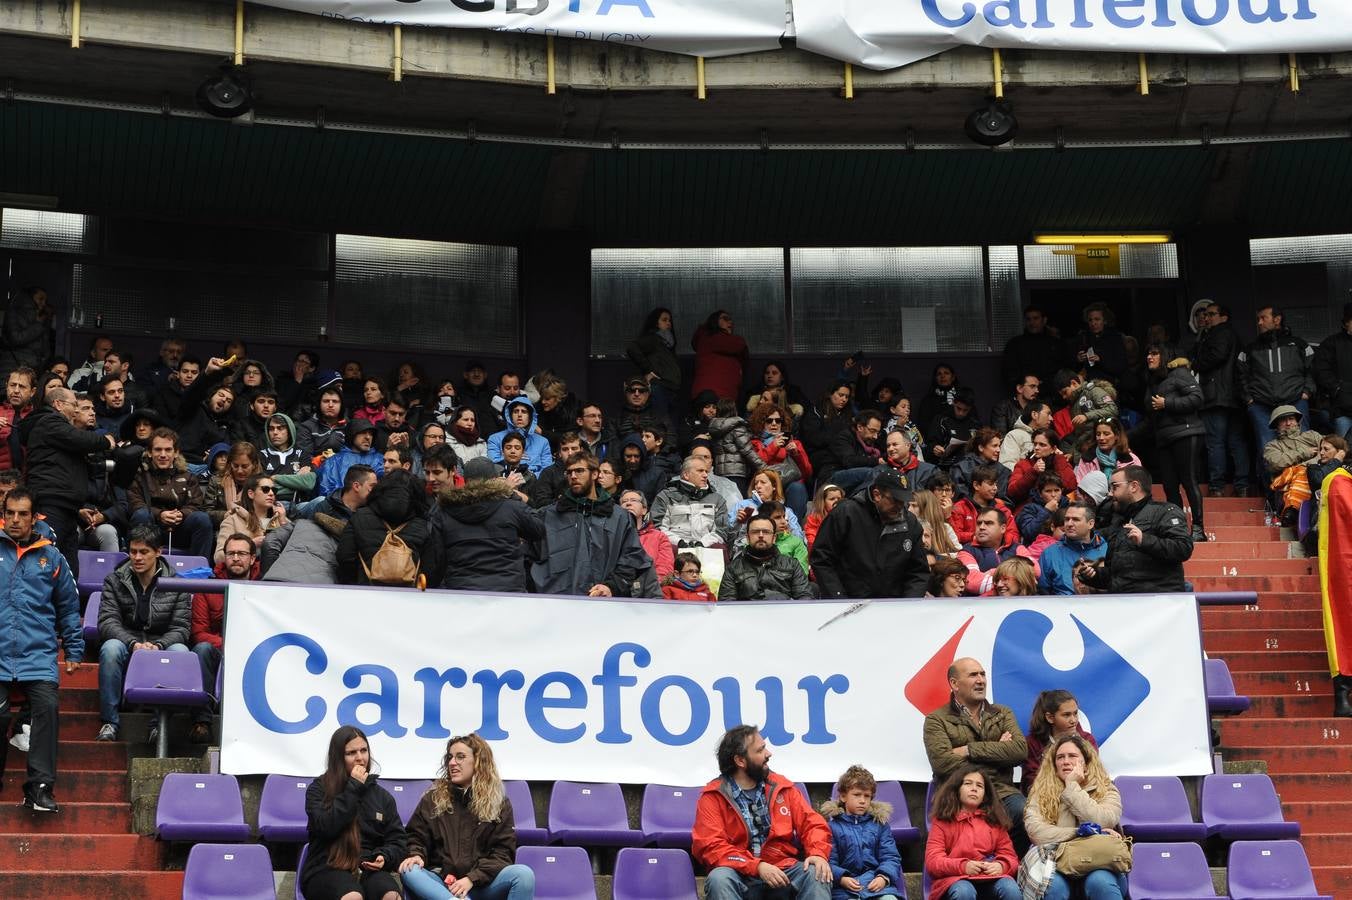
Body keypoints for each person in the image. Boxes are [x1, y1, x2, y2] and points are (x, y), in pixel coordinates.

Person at [0, 488, 81, 812]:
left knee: (47, 708)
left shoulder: (52, 557)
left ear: (35, 518)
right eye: (11, 513)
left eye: (23, 514)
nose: (16, 520)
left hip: (38, 655)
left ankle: (40, 788)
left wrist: (74, 649)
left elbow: (68, 606)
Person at [692, 725, 833, 900]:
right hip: (739, 873)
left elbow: (813, 824)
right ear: (740, 761)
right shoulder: (713, 796)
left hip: (783, 870)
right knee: (719, 878)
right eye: (760, 750)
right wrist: (757, 867)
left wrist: (817, 854)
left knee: (816, 871)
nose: (768, 753)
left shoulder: (782, 787)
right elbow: (711, 847)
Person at [398, 733, 534, 900]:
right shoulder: (432, 799)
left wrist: (472, 878)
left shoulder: (499, 803)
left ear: (478, 762)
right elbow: (416, 837)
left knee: (523, 874)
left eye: (460, 757)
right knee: (409, 870)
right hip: (441, 884)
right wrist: (416, 854)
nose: (452, 763)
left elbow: (502, 854)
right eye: (450, 757)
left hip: (481, 885)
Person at [95, 525, 192, 742]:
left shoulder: (177, 582)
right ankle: (110, 722)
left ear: (158, 552)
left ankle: (159, 724)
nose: (137, 557)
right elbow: (107, 621)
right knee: (110, 648)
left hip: (161, 642)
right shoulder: (115, 579)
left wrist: (158, 646)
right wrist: (132, 643)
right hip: (128, 640)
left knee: (180, 650)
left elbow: (181, 628)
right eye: (133, 551)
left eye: (144, 552)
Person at [923, 658, 1028, 850]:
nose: (981, 680)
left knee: (1025, 812)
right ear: (954, 683)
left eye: (982, 674)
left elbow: (1020, 751)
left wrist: (969, 750)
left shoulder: (1002, 713)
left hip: (1002, 793)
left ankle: (1010, 870)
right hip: (958, 794)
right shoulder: (936, 720)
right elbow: (942, 763)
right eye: (973, 675)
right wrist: (997, 754)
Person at [301, 725, 406, 900]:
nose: (360, 758)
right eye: (351, 753)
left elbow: (397, 840)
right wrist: (353, 788)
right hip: (326, 868)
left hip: (367, 868)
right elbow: (325, 827)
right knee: (353, 896)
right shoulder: (318, 790)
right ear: (338, 758)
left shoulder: (382, 797)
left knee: (390, 895)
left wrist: (384, 856)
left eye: (364, 751)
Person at [22, 386, 118, 572]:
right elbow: (79, 439)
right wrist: (106, 441)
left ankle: (69, 601)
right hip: (50, 503)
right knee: (46, 563)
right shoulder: (49, 421)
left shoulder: (56, 427)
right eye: (74, 404)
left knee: (68, 569)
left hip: (67, 507)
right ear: (58, 404)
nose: (76, 410)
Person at [531, 452, 650, 597]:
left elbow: (632, 558)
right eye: (569, 472)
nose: (573, 476)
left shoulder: (619, 517)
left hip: (603, 605)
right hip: (554, 603)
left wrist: (611, 587)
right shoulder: (547, 515)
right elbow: (527, 557)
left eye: (579, 470)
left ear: (595, 475)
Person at [1024, 735, 1127, 900]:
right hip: (1055, 862)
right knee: (1052, 887)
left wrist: (1071, 787)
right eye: (1060, 757)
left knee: (1100, 882)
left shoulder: (1106, 789)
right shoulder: (1040, 793)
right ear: (1053, 764)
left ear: (1085, 762)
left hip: (1099, 863)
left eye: (1072, 756)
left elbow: (1104, 820)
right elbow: (1037, 832)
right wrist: (1080, 832)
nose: (1065, 761)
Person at [811, 469, 930, 599]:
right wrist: (838, 598)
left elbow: (918, 571)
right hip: (850, 604)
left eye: (903, 500)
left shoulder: (910, 523)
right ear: (877, 494)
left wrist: (909, 603)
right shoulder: (846, 514)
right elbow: (822, 558)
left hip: (894, 606)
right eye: (895, 500)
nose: (900, 506)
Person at [1076, 466, 1193, 594]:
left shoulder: (1165, 511)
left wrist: (1144, 540)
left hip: (1159, 605)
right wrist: (1093, 575)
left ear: (1134, 486)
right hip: (1125, 605)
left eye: (1114, 487)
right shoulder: (1118, 520)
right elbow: (1116, 575)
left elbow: (1183, 548)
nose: (1110, 493)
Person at [437, 457, 545, 593]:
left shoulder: (446, 511)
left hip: (462, 590)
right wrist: (510, 493)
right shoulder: (511, 507)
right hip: (507, 590)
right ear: (494, 480)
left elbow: (437, 556)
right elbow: (538, 529)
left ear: (465, 481)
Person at [189, 531, 257, 744]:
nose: (236, 558)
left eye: (242, 554)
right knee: (201, 649)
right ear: (224, 556)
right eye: (231, 553)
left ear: (252, 558)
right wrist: (231, 645)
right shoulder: (207, 587)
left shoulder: (267, 585)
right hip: (219, 649)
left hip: (255, 651)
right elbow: (199, 634)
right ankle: (202, 722)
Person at [924, 766, 1021, 900]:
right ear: (957, 789)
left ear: (985, 795)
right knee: (964, 891)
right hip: (954, 881)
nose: (974, 788)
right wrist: (963, 866)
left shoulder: (995, 822)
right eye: (968, 783)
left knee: (1010, 888)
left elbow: (1011, 858)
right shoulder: (942, 822)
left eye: (980, 786)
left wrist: (1001, 866)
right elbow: (933, 862)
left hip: (989, 880)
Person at [1145, 343, 1208, 542]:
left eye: (1154, 353)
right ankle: (1178, 527)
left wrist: (1167, 403)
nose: (1149, 357)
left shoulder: (1179, 373)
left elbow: (1197, 398)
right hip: (1164, 437)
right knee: (1169, 486)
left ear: (1164, 356)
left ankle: (1198, 528)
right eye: (1148, 353)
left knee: (1188, 480)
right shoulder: (1153, 381)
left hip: (1186, 433)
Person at [337, 469, 442, 587]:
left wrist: (358, 580)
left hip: (367, 593)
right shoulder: (424, 525)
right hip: (409, 596)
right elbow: (432, 567)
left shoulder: (360, 517)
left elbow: (345, 556)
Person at [1192, 302, 1251, 496]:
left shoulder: (1220, 333)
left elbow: (1217, 355)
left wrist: (1195, 363)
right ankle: (1242, 485)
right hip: (1234, 398)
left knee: (1216, 442)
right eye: (1205, 315)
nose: (1206, 318)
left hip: (1216, 396)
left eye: (1211, 314)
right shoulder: (1232, 335)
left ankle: (1217, 486)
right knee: (1236, 441)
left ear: (1223, 317)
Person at [819, 765, 903, 900]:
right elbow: (828, 861)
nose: (863, 800)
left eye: (867, 796)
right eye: (857, 795)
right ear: (843, 796)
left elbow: (891, 857)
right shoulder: (831, 827)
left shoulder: (880, 825)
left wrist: (883, 877)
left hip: (876, 887)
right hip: (844, 891)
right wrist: (841, 878)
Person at [128, 428, 214, 558]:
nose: (163, 454)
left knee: (202, 519)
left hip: (180, 529)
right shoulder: (140, 476)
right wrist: (160, 514)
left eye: (168, 450)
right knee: (142, 515)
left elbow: (196, 505)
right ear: (150, 453)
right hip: (151, 529)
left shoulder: (188, 477)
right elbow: (135, 505)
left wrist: (182, 514)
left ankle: (199, 571)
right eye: (158, 449)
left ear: (176, 453)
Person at [1239, 304, 1316, 452]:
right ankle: (1270, 477)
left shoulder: (1298, 344)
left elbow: (1312, 369)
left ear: (1277, 319)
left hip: (1296, 401)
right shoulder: (1250, 349)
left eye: (1263, 318)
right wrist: (1248, 398)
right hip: (1261, 405)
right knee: (1268, 448)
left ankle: (1303, 476)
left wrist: (1307, 392)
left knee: (1303, 445)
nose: (1259, 322)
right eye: (1258, 319)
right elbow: (1240, 375)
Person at [720, 515, 814, 601]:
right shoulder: (733, 568)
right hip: (747, 617)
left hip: (784, 616)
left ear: (774, 538)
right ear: (747, 538)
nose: (761, 535)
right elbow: (727, 604)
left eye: (766, 532)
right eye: (755, 532)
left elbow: (805, 597)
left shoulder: (792, 564)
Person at [650, 455, 734, 548]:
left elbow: (721, 531)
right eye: (700, 471)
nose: (706, 475)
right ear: (686, 475)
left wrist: (702, 544)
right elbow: (658, 527)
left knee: (720, 548)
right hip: (674, 548)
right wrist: (679, 543)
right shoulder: (666, 496)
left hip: (707, 549)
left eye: (706, 471)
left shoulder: (718, 500)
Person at [1022, 690, 1098, 792]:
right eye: (1066, 715)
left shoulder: (1087, 740)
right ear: (1050, 718)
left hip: (1082, 793)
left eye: (1075, 713)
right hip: (1045, 795)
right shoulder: (1032, 743)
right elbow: (1031, 780)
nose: (1073, 720)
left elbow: (1093, 772)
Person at [750, 403, 813, 519]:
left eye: (778, 421)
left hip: (790, 485)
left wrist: (796, 453)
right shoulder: (756, 443)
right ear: (761, 423)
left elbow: (807, 472)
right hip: (767, 485)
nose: (774, 424)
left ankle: (793, 529)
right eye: (769, 421)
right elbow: (757, 464)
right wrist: (773, 447)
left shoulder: (793, 442)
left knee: (797, 487)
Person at [956, 509, 1038, 596]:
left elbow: (1035, 570)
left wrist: (991, 572)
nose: (982, 527)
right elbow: (973, 583)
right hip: (983, 606)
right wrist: (1017, 578)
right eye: (979, 523)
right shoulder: (966, 551)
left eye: (988, 523)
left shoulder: (1017, 547)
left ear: (1003, 528)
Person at [214, 473, 288, 563]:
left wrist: (284, 523)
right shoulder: (232, 520)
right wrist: (250, 544)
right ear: (251, 494)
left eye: (274, 490)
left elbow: (296, 553)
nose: (271, 493)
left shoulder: (282, 519)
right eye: (265, 489)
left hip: (276, 573)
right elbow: (219, 558)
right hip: (245, 575)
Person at [1037, 502, 1108, 595]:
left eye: (1076, 519)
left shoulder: (1108, 550)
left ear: (1090, 524)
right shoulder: (1049, 554)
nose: (1069, 524)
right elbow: (1042, 594)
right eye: (1066, 519)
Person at [949, 466, 1018, 548]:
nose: (995, 488)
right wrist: (979, 536)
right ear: (976, 485)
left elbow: (1013, 535)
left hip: (998, 552)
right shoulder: (960, 507)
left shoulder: (1002, 509)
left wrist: (995, 540)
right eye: (991, 484)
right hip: (968, 551)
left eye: (996, 484)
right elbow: (954, 535)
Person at [1053, 371, 1118, 458]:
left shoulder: (1094, 391)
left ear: (1074, 383)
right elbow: (1079, 433)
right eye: (1061, 395)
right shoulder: (1074, 404)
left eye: (1065, 392)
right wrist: (1072, 453)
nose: (1064, 397)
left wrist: (1087, 416)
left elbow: (1112, 409)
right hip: (1086, 449)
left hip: (1103, 445)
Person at [1002, 306, 1067, 393]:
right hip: (1025, 395)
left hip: (1052, 394)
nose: (1032, 322)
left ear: (1044, 320)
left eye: (1036, 318)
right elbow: (1009, 372)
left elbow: (1062, 369)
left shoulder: (1056, 344)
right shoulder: (1015, 344)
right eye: (1028, 319)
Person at [823, 409, 887, 493]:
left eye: (877, 433)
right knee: (872, 473)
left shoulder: (871, 442)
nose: (875, 436)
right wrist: (876, 461)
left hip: (856, 476)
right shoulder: (844, 437)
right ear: (860, 427)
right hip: (833, 475)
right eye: (872, 431)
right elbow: (849, 461)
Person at [690, 310, 749, 402]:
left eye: (730, 320)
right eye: (725, 319)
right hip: (713, 395)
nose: (730, 322)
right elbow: (738, 344)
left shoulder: (713, 339)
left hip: (720, 395)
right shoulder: (709, 337)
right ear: (714, 321)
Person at [317, 419, 385, 497]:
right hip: (338, 506)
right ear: (352, 434)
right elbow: (325, 490)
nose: (368, 437)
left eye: (371, 434)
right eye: (363, 433)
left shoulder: (380, 460)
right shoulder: (333, 461)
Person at [486, 396, 552, 477]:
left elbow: (547, 471)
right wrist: (515, 459)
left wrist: (529, 478)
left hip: (535, 484)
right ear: (510, 415)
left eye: (524, 412)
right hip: (504, 482)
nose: (519, 415)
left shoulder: (543, 442)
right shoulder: (495, 439)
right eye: (516, 411)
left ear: (530, 416)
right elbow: (493, 465)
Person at [619, 488, 675, 581]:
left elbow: (665, 569)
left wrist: (646, 585)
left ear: (644, 510)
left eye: (634, 500)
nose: (628, 503)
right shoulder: (611, 536)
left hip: (648, 589)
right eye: (624, 501)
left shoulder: (659, 537)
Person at [800, 381, 855, 476]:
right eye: (841, 395)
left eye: (847, 397)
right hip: (818, 454)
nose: (844, 399)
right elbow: (813, 438)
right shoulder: (816, 411)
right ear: (830, 394)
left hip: (842, 454)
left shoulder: (849, 415)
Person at [1315, 302, 1352, 440]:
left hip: (1341, 405)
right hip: (1342, 411)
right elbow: (1321, 371)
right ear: (1346, 323)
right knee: (1342, 450)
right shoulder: (1331, 343)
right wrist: (1338, 389)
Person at [1073, 303, 1129, 392]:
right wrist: (1078, 360)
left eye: (1097, 319)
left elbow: (1121, 366)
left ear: (1105, 321)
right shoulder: (1084, 338)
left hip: (1109, 387)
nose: (1093, 323)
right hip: (1088, 387)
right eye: (1090, 320)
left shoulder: (1114, 338)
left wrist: (1101, 360)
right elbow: (1075, 367)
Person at [0, 286, 54, 374]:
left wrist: (45, 360)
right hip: (13, 365)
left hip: (34, 365)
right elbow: (16, 338)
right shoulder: (14, 313)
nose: (43, 303)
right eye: (40, 299)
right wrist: (38, 324)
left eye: (45, 300)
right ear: (28, 299)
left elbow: (45, 343)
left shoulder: (41, 316)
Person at [950, 429, 1011, 502]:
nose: (998, 450)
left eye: (999, 446)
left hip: (992, 510)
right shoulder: (961, 468)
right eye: (994, 446)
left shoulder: (1003, 470)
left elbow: (1002, 498)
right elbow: (959, 496)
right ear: (981, 448)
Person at [1072, 419, 1140, 484]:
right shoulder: (1087, 459)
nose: (1101, 438)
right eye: (1098, 434)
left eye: (1106, 434)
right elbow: (1081, 488)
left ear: (1117, 436)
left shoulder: (1132, 460)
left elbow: (1137, 487)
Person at [0, 366, 36, 471]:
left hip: (29, 481)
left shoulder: (38, 417)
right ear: (7, 386)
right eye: (12, 385)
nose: (16, 390)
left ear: (32, 392)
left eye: (22, 386)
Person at [804, 483, 844, 551]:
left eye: (839, 498)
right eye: (832, 499)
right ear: (823, 502)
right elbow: (812, 539)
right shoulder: (814, 519)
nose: (836, 501)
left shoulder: (846, 516)